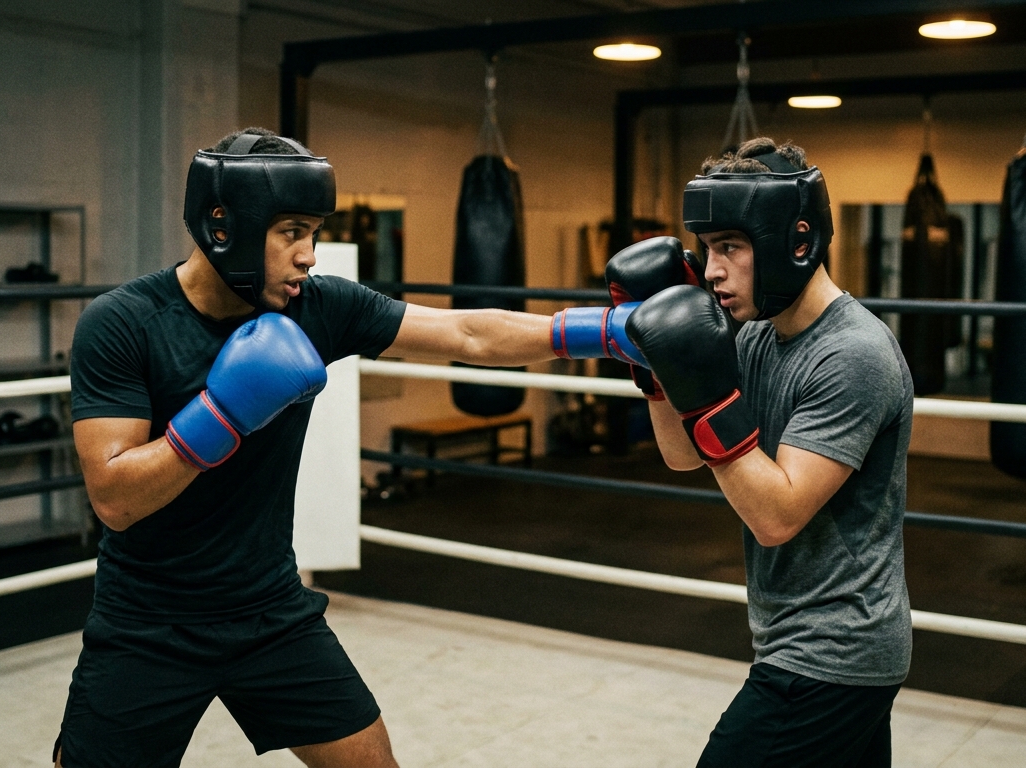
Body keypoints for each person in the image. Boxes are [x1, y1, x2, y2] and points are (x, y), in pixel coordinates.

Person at [56, 127, 644, 768]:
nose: (309, 255)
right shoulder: (122, 323)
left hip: (270, 611)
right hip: (149, 623)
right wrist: (221, 414)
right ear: (224, 225)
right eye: (291, 232)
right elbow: (114, 500)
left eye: (313, 232)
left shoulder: (317, 305)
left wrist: (612, 331)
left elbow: (469, 332)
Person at [624, 138, 914, 767]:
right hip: (803, 642)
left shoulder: (852, 355)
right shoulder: (755, 335)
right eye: (706, 249)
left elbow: (776, 515)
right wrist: (655, 370)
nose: (710, 271)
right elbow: (681, 456)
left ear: (797, 241)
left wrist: (702, 398)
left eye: (730, 247)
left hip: (831, 652)